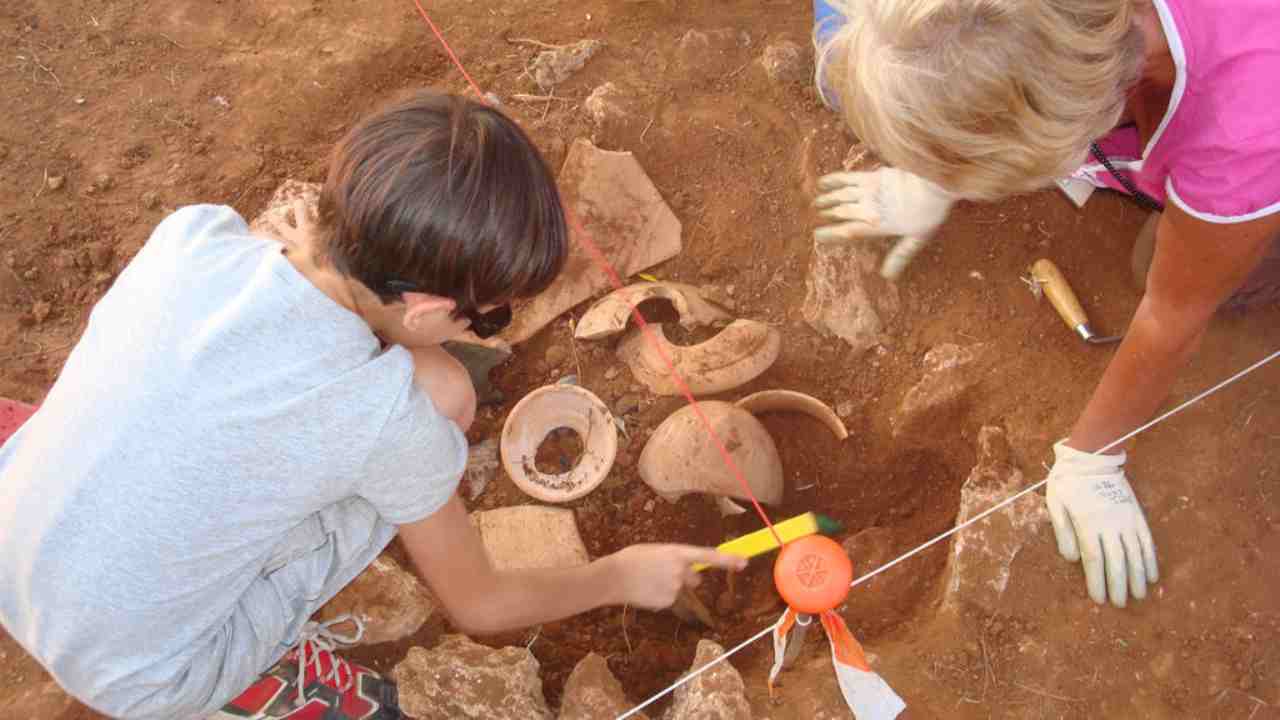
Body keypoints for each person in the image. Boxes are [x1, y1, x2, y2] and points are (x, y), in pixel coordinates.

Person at [0, 90, 745, 720]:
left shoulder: (194, 234)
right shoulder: (384, 422)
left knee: (441, 392)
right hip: (143, 672)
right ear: (423, 310)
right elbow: (479, 604)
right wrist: (620, 576)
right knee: (437, 413)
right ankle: (263, 679)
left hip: (13, 534)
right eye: (484, 319)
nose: (483, 334)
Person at [810, 0, 1280, 608]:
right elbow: (956, 37)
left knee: (1167, 265)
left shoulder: (1245, 129)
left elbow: (1173, 314)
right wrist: (936, 169)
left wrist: (1094, 457)